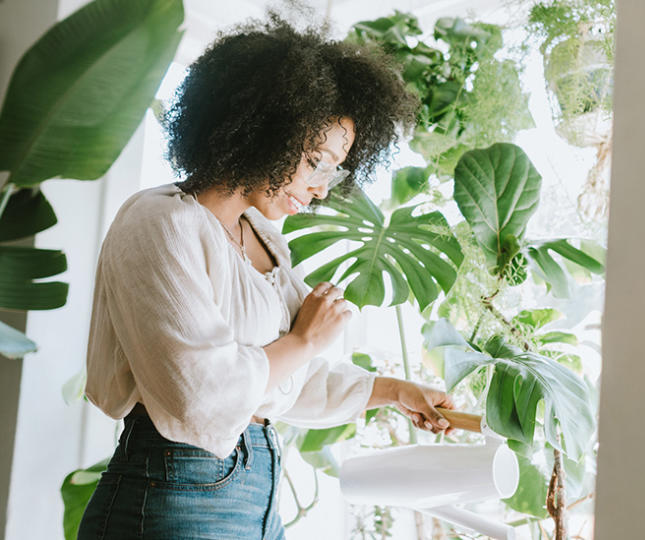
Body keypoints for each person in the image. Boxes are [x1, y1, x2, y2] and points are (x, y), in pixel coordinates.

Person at [78, 15, 453, 539]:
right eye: (315, 161)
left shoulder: (265, 240)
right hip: (177, 491)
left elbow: (281, 381)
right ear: (264, 127)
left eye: (335, 169)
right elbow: (200, 395)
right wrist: (302, 339)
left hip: (258, 489)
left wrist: (395, 390)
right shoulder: (159, 222)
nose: (322, 188)